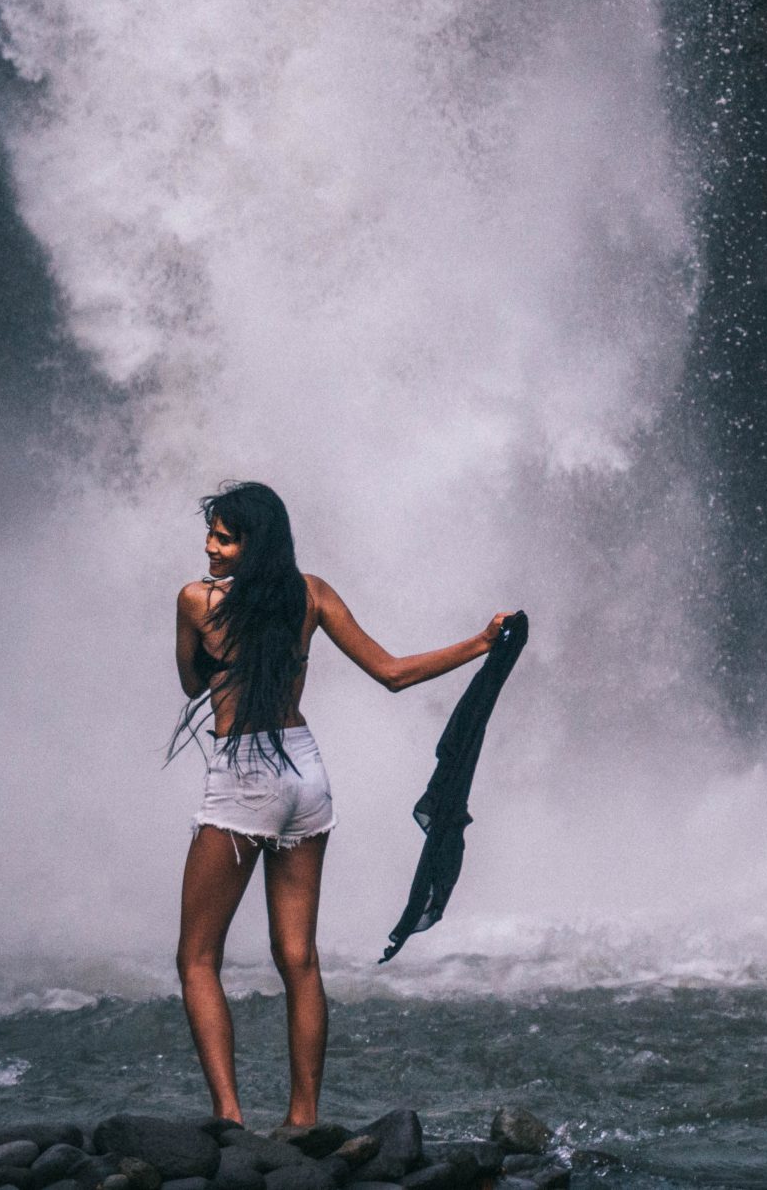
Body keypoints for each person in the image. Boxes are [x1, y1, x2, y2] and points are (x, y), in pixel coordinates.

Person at [172, 480, 512, 1127]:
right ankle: (303, 1120)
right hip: (305, 769)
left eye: (223, 536)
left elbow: (192, 682)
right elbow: (392, 673)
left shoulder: (197, 599)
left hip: (245, 769)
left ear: (252, 543)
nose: (209, 546)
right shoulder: (312, 592)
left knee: (196, 957)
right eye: (211, 534)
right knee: (299, 957)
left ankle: (229, 1117)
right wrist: (478, 641)